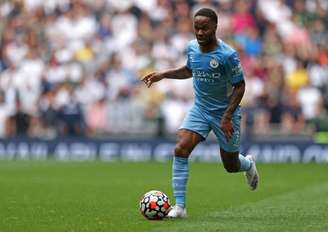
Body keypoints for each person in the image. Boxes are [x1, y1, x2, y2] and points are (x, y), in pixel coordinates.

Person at [142, 8, 259, 218]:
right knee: (180, 149)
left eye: (204, 28)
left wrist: (226, 118)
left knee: (231, 166)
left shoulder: (227, 55)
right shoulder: (192, 48)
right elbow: (189, 70)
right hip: (201, 109)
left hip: (226, 114)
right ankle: (180, 207)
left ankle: (248, 164)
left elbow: (240, 87)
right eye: (196, 28)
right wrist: (163, 74)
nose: (200, 32)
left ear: (215, 26)